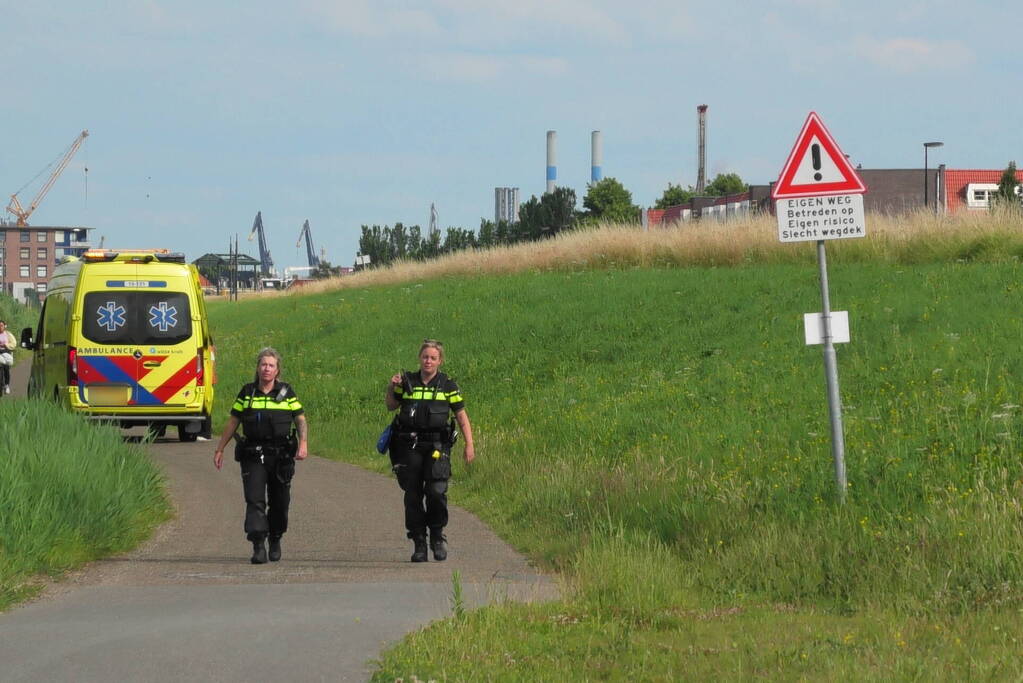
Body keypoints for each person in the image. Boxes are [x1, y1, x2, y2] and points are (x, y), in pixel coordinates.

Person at [214, 347, 308, 564]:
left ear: (277, 370)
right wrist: (220, 448)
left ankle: (275, 539)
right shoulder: (247, 393)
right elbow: (233, 421)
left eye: (271, 365)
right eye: (263, 365)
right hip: (253, 455)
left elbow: (300, 419)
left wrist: (303, 443)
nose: (267, 369)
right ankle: (258, 545)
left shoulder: (287, 392)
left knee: (280, 502)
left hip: (281, 456)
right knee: (255, 500)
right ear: (257, 368)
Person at [386, 339, 475, 562]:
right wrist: (392, 387)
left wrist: (469, 444)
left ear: (440, 361)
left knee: (436, 492)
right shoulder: (407, 381)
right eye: (425, 356)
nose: (428, 361)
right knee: (413, 495)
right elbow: (391, 405)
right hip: (410, 447)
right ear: (420, 358)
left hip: (438, 447)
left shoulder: (448, 385)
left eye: (433, 357)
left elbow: (461, 416)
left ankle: (436, 537)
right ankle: (418, 543)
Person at [0, 320, 15, 395]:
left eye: (1, 325)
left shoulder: (8, 335)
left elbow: (13, 343)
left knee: (6, 368)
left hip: (6, 352)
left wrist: (6, 345)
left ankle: (7, 385)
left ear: (4, 326)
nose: (0, 327)